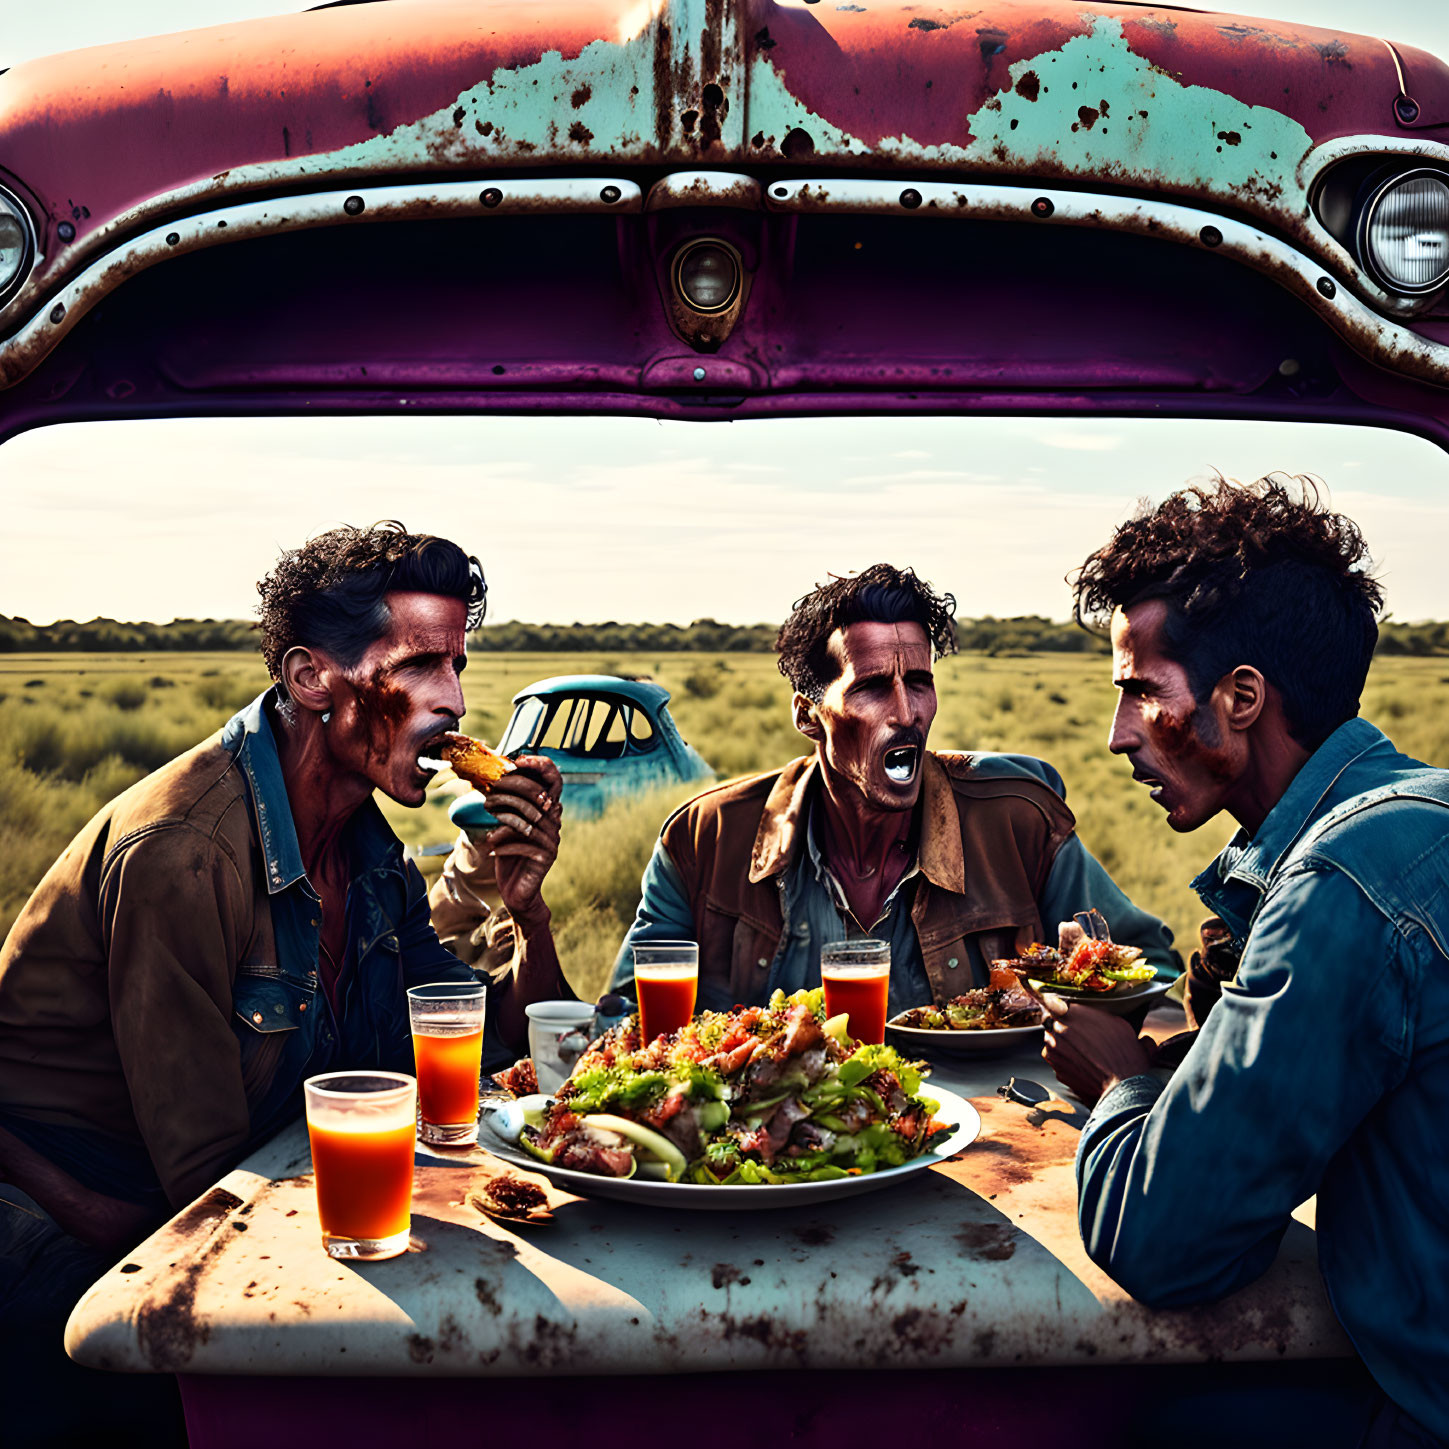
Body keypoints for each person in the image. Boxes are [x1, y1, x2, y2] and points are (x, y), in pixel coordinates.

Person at [0, 522, 567, 1414]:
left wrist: (526, 909)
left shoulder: (369, 847)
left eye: (458, 664)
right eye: (420, 664)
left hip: (240, 1188)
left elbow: (498, 1046)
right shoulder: (183, 852)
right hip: (79, 1207)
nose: (455, 699)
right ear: (312, 680)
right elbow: (205, 1189)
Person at [1042, 476, 1449, 1446]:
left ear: (1243, 696)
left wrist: (1121, 1084)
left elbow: (1167, 1238)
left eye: (1142, 693)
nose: (1118, 737)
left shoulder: (1343, 883)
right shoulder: (1413, 816)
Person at [610, 563, 1176, 1014]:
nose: (907, 713)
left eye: (921, 683)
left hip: (988, 1147)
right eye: (874, 687)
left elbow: (1154, 967)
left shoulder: (1015, 821)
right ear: (810, 716)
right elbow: (620, 1019)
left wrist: (1084, 985)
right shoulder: (706, 838)